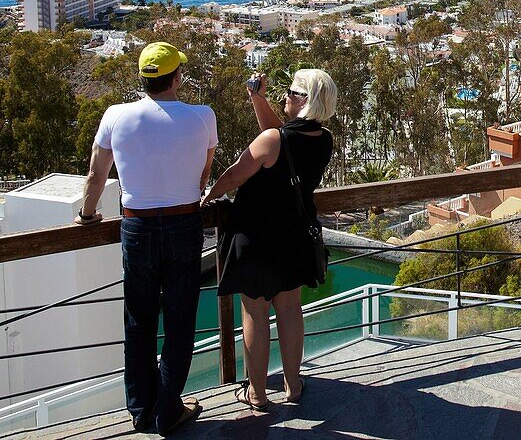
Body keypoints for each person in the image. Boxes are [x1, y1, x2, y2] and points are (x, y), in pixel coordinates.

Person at [76, 42, 216, 435]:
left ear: (142, 79)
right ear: (177, 77)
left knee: (138, 320)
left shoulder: (114, 117)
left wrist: (87, 215)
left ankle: (140, 409)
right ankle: (169, 408)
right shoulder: (203, 117)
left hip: (135, 227)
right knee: (180, 320)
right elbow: (202, 178)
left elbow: (96, 175)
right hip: (184, 224)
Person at [201, 68, 337, 410]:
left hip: (256, 238)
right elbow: (279, 139)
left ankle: (257, 393)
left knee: (254, 315)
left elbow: (236, 173)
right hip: (293, 238)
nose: (286, 97)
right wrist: (256, 99)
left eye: (291, 93)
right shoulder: (324, 138)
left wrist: (205, 196)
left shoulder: (273, 141)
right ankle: (293, 385)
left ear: (305, 100)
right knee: (290, 311)